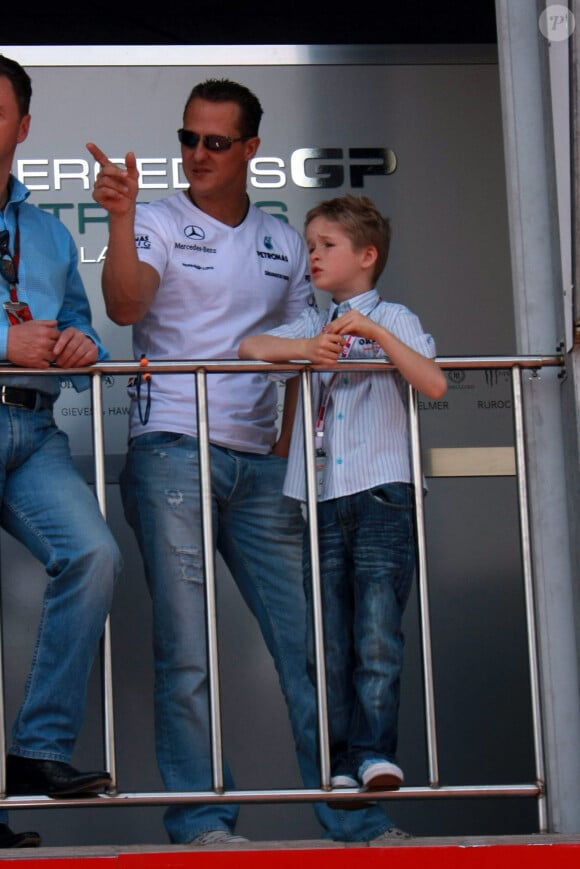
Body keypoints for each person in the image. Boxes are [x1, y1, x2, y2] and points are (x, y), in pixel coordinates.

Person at [87, 78, 408, 846]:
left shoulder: (285, 240)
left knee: (313, 647)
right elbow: (127, 307)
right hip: (172, 452)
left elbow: (310, 345)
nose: (198, 154)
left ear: (252, 150)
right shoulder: (158, 219)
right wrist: (123, 218)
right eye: (189, 138)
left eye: (216, 142)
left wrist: (285, 444)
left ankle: (351, 819)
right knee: (187, 653)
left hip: (262, 467)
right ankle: (202, 822)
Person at [240, 194, 447, 797]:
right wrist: (307, 349)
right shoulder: (313, 321)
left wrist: (373, 331)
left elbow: (432, 381)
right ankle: (338, 761)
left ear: (366, 255)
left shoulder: (396, 317)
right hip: (323, 499)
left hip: (384, 492)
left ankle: (375, 755)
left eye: (326, 246)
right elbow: (250, 349)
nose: (313, 257)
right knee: (327, 640)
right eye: (309, 247)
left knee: (377, 634)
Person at [0, 55, 122, 848]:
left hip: (31, 429)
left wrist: (82, 344)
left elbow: (87, 326)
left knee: (94, 554)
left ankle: (35, 750)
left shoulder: (45, 229)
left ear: (22, 127)